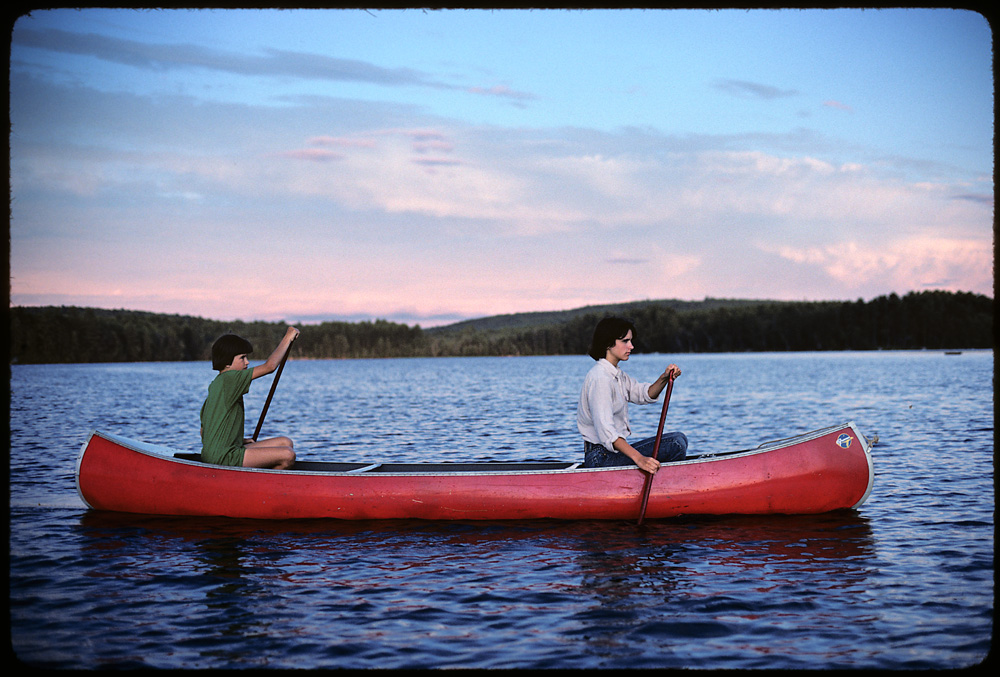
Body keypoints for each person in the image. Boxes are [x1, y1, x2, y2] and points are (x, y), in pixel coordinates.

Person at [577, 317, 687, 474]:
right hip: (600, 459)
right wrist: (639, 459)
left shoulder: (617, 375)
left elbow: (643, 394)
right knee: (675, 443)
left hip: (612, 454)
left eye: (631, 341)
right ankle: (667, 485)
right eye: (625, 341)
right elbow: (607, 432)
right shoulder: (600, 378)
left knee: (680, 439)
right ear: (608, 343)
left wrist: (664, 378)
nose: (631, 346)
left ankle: (663, 483)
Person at [200, 326, 300, 469]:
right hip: (223, 457)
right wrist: (288, 337)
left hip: (221, 451)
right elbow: (270, 366)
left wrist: (239, 440)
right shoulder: (230, 378)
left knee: (285, 442)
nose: (247, 362)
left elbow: (204, 431)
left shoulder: (216, 384)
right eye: (242, 358)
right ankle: (263, 487)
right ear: (227, 362)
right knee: (287, 455)